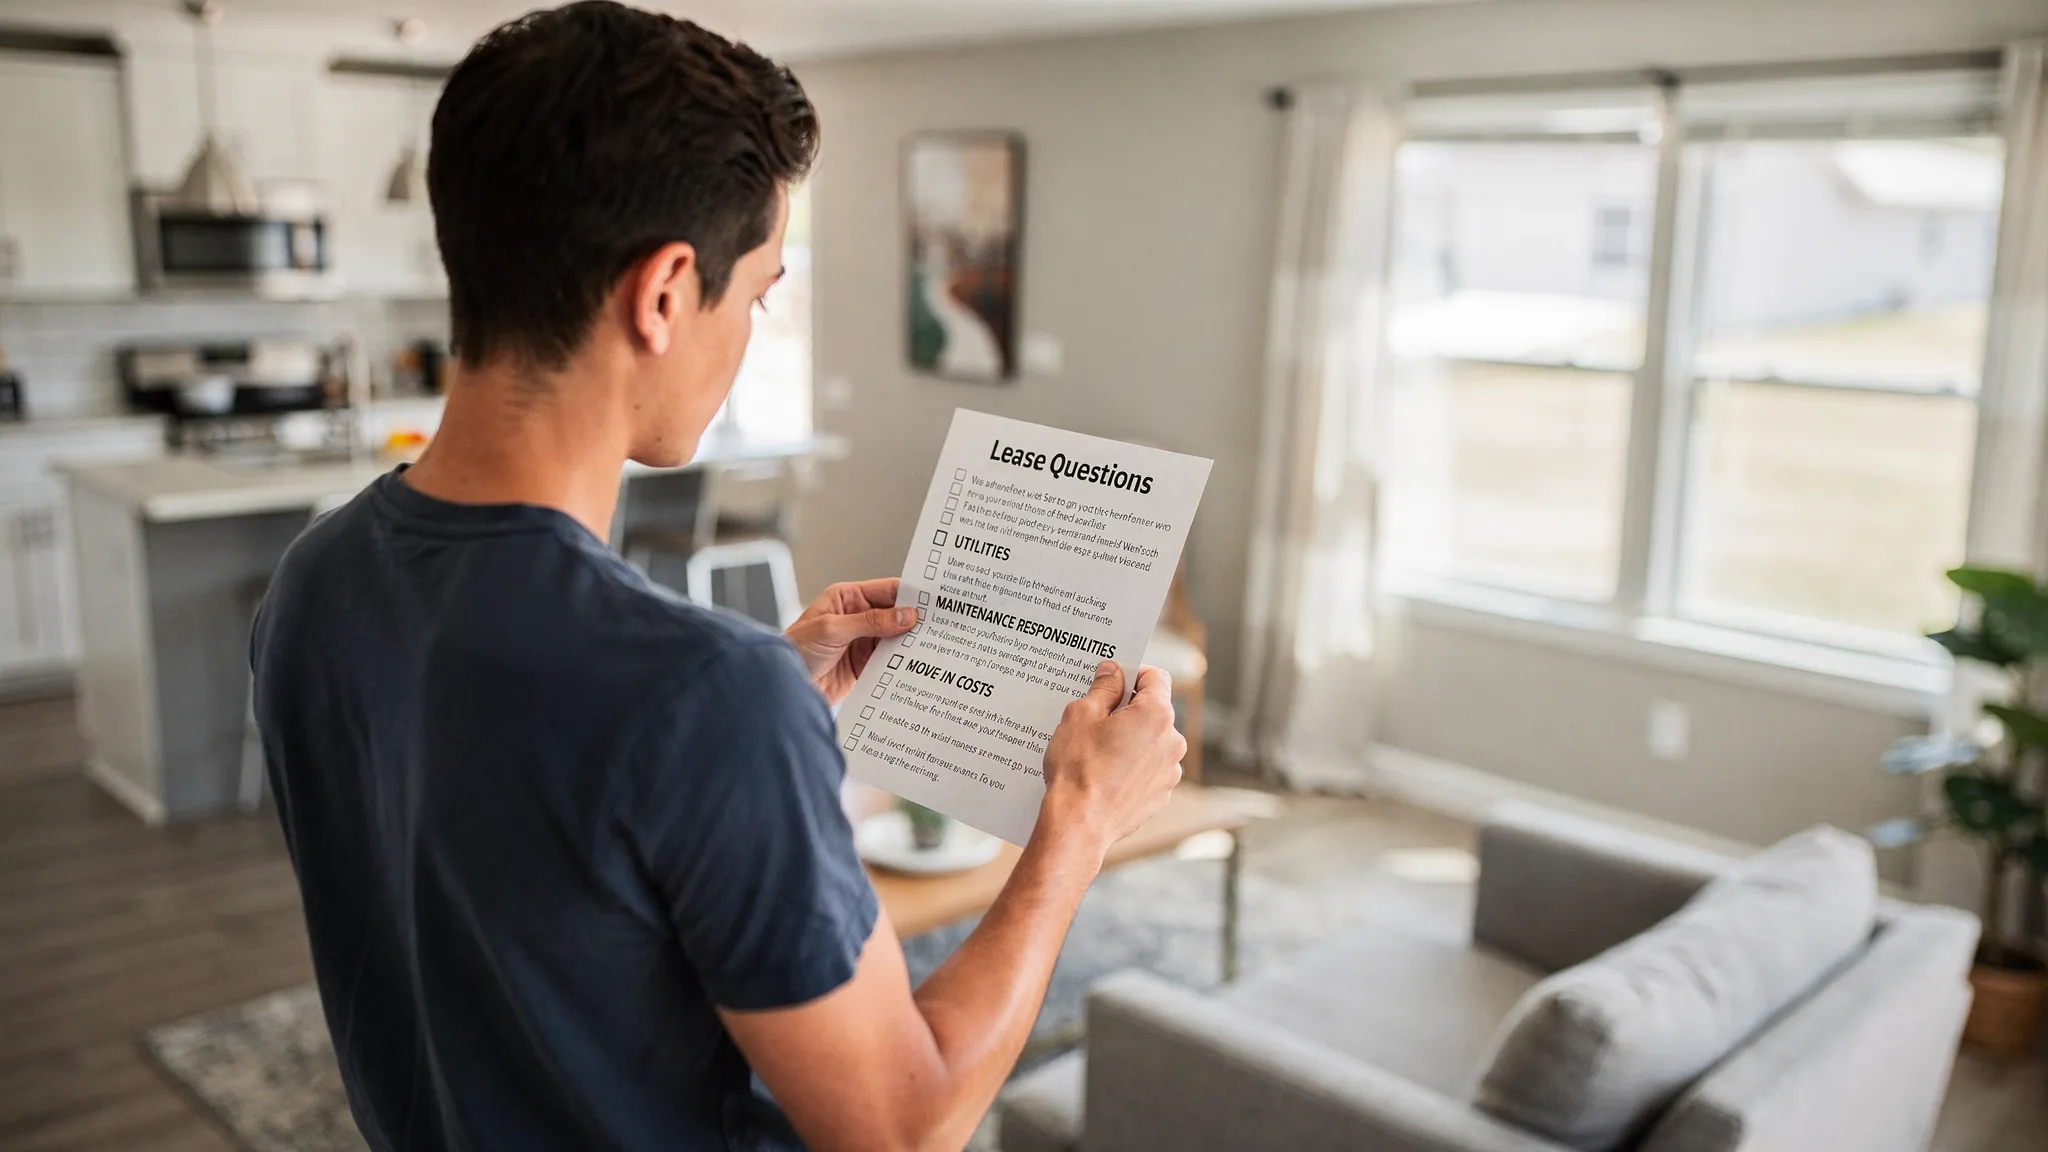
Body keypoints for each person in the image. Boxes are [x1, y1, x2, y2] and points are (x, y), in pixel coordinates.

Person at [249, 3, 1187, 1150]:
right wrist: (1078, 824)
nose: (749, 330)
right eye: (755, 295)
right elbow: (901, 1124)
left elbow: (518, 908)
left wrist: (758, 697)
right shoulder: (700, 696)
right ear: (661, 295)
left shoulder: (312, 585)